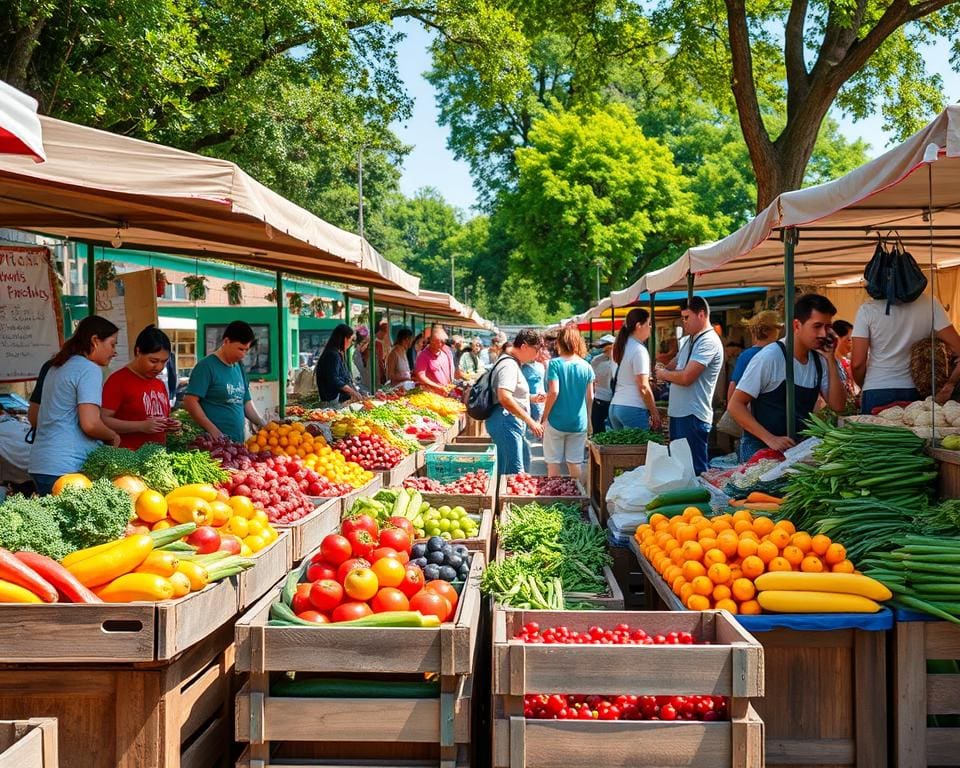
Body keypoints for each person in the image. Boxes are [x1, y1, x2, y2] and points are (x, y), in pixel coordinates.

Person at [728, 294, 847, 459]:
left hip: (796, 449)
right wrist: (770, 439)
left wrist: (831, 359)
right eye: (817, 326)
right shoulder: (770, 357)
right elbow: (735, 405)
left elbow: (838, 405)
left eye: (828, 327)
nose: (823, 333)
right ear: (797, 325)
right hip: (760, 450)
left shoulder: (820, 360)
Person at [27, 315, 122, 495]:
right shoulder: (89, 369)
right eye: (112, 344)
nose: (114, 351)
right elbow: (91, 424)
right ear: (95, 341)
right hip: (66, 468)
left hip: (41, 464)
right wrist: (112, 436)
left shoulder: (57, 366)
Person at [850, 294, 960, 412]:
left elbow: (857, 364)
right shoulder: (930, 304)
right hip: (917, 391)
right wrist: (950, 384)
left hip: (877, 389)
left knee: (877, 430)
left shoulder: (868, 309)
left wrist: (864, 385)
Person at [657, 297, 724, 475]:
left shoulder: (708, 341)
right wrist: (659, 369)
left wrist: (663, 374)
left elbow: (687, 377)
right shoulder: (690, 340)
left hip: (693, 414)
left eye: (687, 317)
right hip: (680, 413)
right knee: (680, 470)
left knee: (696, 472)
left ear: (701, 315)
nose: (683, 322)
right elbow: (674, 363)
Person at [183, 320, 265, 443]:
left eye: (246, 350)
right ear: (226, 341)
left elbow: (246, 402)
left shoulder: (239, 367)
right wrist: (213, 431)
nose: (243, 354)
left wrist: (262, 423)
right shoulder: (206, 367)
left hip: (237, 444)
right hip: (213, 445)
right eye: (240, 349)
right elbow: (190, 401)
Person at [101, 325, 181, 450]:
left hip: (157, 459)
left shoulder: (159, 384)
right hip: (127, 458)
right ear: (138, 352)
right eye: (153, 361)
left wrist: (169, 424)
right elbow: (103, 419)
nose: (159, 367)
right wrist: (140, 426)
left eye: (164, 362)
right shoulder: (118, 381)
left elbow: (160, 418)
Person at [487, 329, 545, 474]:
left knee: (512, 469)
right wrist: (530, 421)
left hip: (507, 421)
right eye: (536, 350)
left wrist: (530, 398)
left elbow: (510, 395)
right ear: (525, 346)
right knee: (512, 473)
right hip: (506, 421)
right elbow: (504, 397)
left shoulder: (511, 362)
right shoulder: (509, 365)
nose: (537, 355)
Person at [540, 326, 594, 479]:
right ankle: (580, 498)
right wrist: (589, 421)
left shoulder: (554, 364)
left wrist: (544, 418)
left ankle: (555, 499)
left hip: (556, 420)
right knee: (575, 462)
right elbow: (590, 397)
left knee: (553, 462)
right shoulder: (587, 366)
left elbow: (554, 391)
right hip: (579, 422)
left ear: (559, 343)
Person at [608, 309, 662, 432]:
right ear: (639, 325)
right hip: (632, 407)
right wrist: (654, 413)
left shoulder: (621, 346)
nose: (650, 327)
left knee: (623, 451)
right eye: (648, 323)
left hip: (615, 406)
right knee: (641, 450)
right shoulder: (639, 350)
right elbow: (643, 386)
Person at [727, 310, 782, 406]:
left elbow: (734, 384)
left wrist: (731, 409)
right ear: (771, 331)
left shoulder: (746, 355)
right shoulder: (779, 354)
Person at [315, 324, 363, 407]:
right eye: (351, 340)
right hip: (333, 402)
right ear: (345, 339)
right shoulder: (333, 355)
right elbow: (334, 379)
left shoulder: (336, 353)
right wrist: (353, 392)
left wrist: (356, 391)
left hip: (336, 401)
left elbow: (345, 378)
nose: (351, 344)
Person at [414, 325, 455, 393]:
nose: (443, 344)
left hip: (445, 393)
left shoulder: (445, 352)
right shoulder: (423, 355)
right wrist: (438, 387)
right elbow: (420, 376)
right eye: (440, 342)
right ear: (432, 341)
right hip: (431, 394)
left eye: (443, 342)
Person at [590, 334, 616, 434]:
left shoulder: (614, 360)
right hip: (601, 400)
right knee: (599, 430)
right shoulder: (598, 361)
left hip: (610, 401)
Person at [831, 319, 858, 400]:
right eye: (849, 340)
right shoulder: (831, 363)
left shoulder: (847, 362)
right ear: (837, 338)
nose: (852, 344)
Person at [374, 321, 390, 388]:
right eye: (386, 331)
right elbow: (380, 360)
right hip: (377, 371)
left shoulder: (384, 340)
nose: (386, 334)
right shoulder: (377, 342)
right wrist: (383, 373)